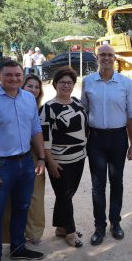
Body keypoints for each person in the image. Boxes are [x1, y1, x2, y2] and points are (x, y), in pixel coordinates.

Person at [0, 60, 46, 261]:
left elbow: (35, 130)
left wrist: (41, 157)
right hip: (0, 164)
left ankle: (17, 248)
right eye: (9, 75)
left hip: (25, 162)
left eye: (18, 75)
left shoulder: (27, 98)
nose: (14, 78)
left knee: (22, 206)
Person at [81, 44, 132, 245]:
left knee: (117, 182)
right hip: (95, 139)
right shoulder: (88, 82)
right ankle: (99, 226)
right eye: (102, 55)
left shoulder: (126, 83)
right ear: (97, 58)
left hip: (118, 138)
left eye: (109, 55)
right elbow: (84, 112)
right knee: (98, 185)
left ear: (115, 58)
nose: (106, 58)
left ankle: (115, 222)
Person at [41, 67, 88, 248]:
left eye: (69, 82)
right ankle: (70, 231)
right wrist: (50, 161)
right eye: (62, 82)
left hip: (79, 157)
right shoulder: (49, 108)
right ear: (55, 84)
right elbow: (45, 138)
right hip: (59, 161)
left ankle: (61, 227)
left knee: (67, 194)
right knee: (64, 194)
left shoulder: (77, 102)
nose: (66, 85)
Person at [2, 73, 46, 245]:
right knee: (11, 197)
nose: (34, 90)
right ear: (22, 87)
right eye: (30, 86)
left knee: (35, 196)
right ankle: (9, 236)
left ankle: (34, 233)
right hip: (12, 155)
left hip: (36, 156)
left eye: (37, 87)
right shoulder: (12, 105)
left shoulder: (41, 109)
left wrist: (43, 158)